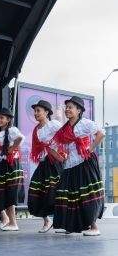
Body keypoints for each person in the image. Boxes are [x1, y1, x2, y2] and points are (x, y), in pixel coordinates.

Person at [52, 96, 105, 235]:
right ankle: (71, 225)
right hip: (70, 164)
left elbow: (101, 133)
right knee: (68, 194)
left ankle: (94, 227)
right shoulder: (63, 130)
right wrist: (62, 159)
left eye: (71, 107)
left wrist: (91, 148)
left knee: (85, 193)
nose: (67, 110)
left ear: (79, 110)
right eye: (66, 107)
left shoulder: (85, 123)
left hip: (85, 161)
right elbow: (51, 147)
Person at [0, 107, 25, 231]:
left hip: (11, 164)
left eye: (2, 118)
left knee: (9, 193)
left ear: (8, 120)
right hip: (0, 165)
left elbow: (20, 138)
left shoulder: (12, 130)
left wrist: (11, 150)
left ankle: (13, 223)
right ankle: (4, 218)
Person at [28, 100, 64, 233]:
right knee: (37, 191)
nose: (36, 113)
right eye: (35, 111)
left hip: (54, 162)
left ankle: (61, 221)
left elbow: (65, 136)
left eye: (39, 111)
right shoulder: (36, 130)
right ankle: (47, 220)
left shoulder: (53, 125)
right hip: (43, 164)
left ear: (46, 112)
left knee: (57, 193)